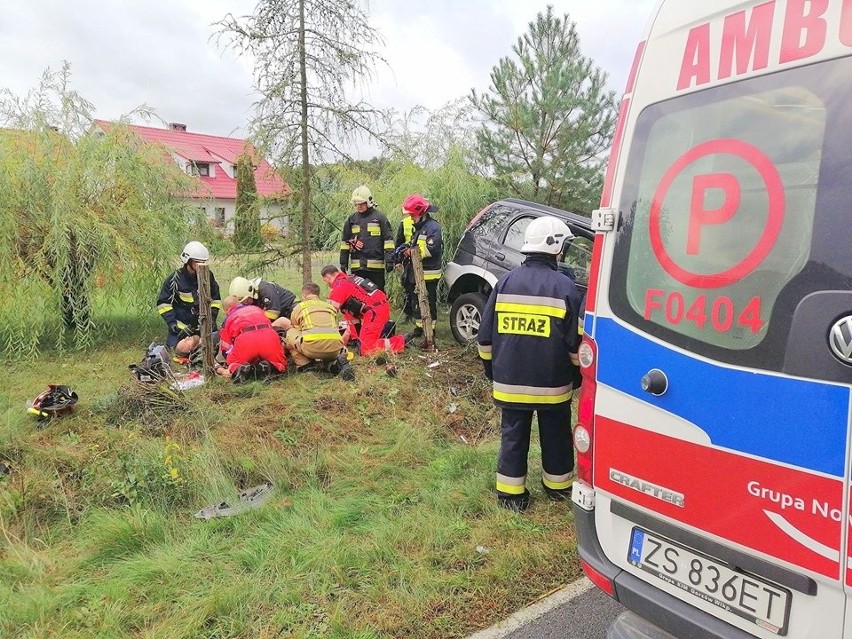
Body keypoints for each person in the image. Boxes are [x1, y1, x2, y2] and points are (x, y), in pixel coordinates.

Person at [476, 216, 583, 512]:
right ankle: (558, 488)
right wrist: (577, 376)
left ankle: (511, 497)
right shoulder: (565, 287)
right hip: (553, 385)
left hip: (510, 382)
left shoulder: (505, 282)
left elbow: (484, 339)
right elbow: (575, 343)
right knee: (557, 435)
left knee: (513, 436)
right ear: (556, 247)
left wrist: (493, 371)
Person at [320, 265, 406, 356]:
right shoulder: (349, 278)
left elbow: (328, 312)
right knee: (347, 310)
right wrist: (352, 337)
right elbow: (350, 316)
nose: (327, 284)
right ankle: (359, 338)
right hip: (378, 306)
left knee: (366, 348)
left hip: (375, 311)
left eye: (325, 281)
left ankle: (402, 341)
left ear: (328, 277)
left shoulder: (340, 285)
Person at [276, 282, 355, 380]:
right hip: (336, 348)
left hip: (312, 348)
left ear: (304, 295)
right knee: (328, 354)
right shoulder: (329, 307)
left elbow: (296, 329)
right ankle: (335, 366)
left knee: (290, 334)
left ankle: (305, 366)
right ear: (318, 295)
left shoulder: (299, 307)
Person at [156, 241, 222, 354]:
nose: (201, 265)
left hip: (204, 325)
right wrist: (172, 323)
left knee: (215, 348)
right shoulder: (175, 279)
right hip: (182, 327)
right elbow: (163, 303)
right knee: (176, 350)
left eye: (203, 262)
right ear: (188, 261)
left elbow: (215, 299)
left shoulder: (208, 276)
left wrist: (212, 319)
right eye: (197, 262)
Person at [400, 194, 443, 343]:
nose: (410, 217)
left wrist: (412, 252)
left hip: (429, 274)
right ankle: (420, 328)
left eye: (412, 214)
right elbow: (415, 244)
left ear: (420, 212)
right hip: (417, 273)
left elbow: (431, 249)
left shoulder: (433, 227)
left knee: (428, 302)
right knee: (417, 302)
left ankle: (430, 330)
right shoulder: (420, 227)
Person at [215, 296, 287, 380]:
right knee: (280, 362)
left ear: (225, 311)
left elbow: (225, 349)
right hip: (268, 336)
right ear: (240, 303)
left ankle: (240, 369)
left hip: (246, 340)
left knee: (233, 362)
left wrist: (225, 363)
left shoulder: (228, 319)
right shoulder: (256, 308)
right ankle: (270, 366)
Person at [340, 185, 395, 291]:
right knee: (359, 297)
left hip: (376, 268)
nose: (358, 206)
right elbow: (345, 242)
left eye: (361, 204)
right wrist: (343, 262)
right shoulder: (351, 219)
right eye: (356, 204)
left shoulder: (380, 218)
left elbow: (388, 240)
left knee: (377, 296)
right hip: (357, 267)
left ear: (368, 202)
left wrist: (389, 260)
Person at [228, 277, 296, 331]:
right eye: (242, 303)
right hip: (280, 313)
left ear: (251, 292)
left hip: (291, 307)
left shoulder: (266, 289)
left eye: (246, 300)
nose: (245, 304)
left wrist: (257, 322)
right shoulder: (251, 294)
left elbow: (273, 313)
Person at [394, 214, 416, 322]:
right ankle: (408, 314)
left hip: (421, 260)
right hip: (407, 260)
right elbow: (398, 243)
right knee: (408, 287)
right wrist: (397, 261)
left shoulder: (429, 223)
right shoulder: (404, 223)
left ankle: (418, 313)